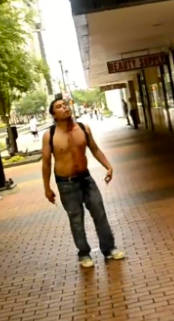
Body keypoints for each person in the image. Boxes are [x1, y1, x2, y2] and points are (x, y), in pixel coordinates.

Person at [41, 99, 125, 268]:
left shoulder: (83, 128)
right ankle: (84, 253)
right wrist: (47, 188)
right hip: (66, 183)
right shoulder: (50, 135)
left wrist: (108, 166)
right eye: (59, 107)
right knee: (76, 219)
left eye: (65, 104)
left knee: (100, 214)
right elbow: (46, 163)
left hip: (86, 179)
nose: (64, 107)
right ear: (53, 114)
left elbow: (94, 149)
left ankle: (109, 248)